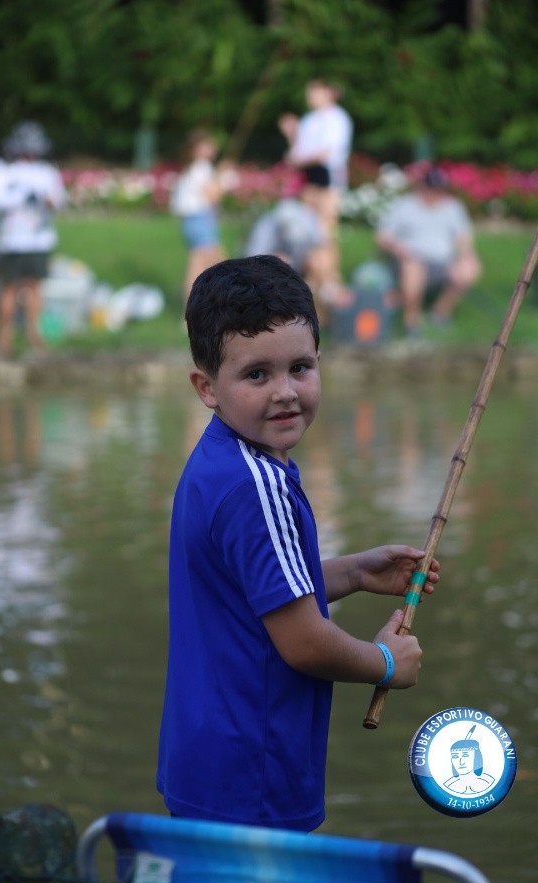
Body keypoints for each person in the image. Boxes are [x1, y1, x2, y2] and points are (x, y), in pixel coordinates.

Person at [157, 255, 440, 831]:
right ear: (207, 387)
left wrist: (355, 572)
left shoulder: (222, 461)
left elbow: (257, 594)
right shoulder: (256, 486)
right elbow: (304, 643)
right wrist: (386, 663)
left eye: (300, 368)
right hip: (253, 778)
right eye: (257, 375)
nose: (285, 392)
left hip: (205, 765)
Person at [0, 121, 67, 356]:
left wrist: (46, 201)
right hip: (10, 240)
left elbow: (59, 200)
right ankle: (4, 338)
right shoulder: (2, 169)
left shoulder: (47, 172)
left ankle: (33, 334)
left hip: (38, 240)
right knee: (7, 288)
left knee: (34, 288)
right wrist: (19, 196)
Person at [375, 166, 482, 338]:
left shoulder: (453, 207)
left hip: (443, 263)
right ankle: (411, 322)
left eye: (437, 189)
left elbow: (463, 239)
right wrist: (397, 247)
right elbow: (382, 237)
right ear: (422, 186)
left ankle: (440, 313)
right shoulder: (405, 205)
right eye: (430, 188)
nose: (433, 193)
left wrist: (466, 256)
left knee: (469, 268)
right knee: (413, 268)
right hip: (409, 260)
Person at [243, 196, 351, 324]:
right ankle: (324, 296)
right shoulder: (278, 223)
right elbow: (253, 260)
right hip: (270, 269)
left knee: (321, 257)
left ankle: (327, 294)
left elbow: (324, 251)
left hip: (301, 269)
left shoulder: (311, 225)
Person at [279, 78, 353, 242]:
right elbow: (298, 151)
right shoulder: (309, 120)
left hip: (329, 174)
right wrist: (291, 135)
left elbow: (324, 154)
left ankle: (327, 258)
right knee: (308, 224)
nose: (310, 97)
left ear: (328, 93)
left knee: (325, 225)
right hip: (310, 174)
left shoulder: (337, 118)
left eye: (314, 93)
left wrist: (298, 160)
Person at [170, 129, 230, 303]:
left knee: (206, 264)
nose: (213, 147)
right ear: (197, 149)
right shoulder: (202, 167)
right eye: (208, 144)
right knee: (211, 266)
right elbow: (214, 196)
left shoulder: (192, 168)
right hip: (200, 220)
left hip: (193, 221)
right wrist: (222, 175)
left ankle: (204, 306)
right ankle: (194, 308)